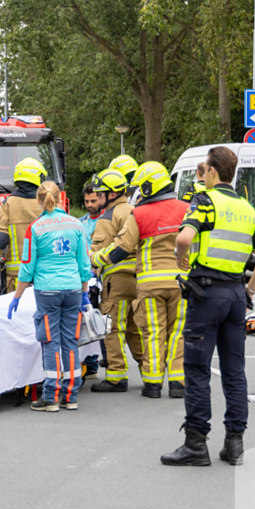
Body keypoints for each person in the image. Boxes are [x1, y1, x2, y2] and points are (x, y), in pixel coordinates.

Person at [161, 146, 255, 467]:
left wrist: (180, 257)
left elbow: (183, 238)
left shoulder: (205, 201)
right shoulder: (247, 209)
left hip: (206, 294)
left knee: (197, 369)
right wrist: (248, 292)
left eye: (205, 170)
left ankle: (196, 444)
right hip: (236, 295)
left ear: (211, 172)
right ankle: (234, 444)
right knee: (234, 371)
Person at [104, 162, 191, 398]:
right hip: (180, 283)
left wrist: (97, 256)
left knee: (153, 332)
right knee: (178, 333)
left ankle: (152, 385)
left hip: (150, 285)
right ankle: (178, 384)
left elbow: (121, 249)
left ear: (149, 187)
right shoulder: (186, 208)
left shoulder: (139, 213)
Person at [8, 181, 92, 412]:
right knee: (70, 342)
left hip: (47, 291)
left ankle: (51, 398)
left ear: (39, 200)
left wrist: (16, 296)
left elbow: (27, 267)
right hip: (73, 289)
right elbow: (84, 264)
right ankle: (71, 396)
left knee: (50, 342)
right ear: (60, 198)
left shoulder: (35, 228)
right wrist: (85, 294)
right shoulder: (76, 225)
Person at [88, 162, 143, 392]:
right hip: (138, 279)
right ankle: (150, 371)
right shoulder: (134, 211)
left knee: (111, 327)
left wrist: (89, 258)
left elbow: (97, 254)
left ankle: (116, 377)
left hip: (116, 282)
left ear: (111, 193)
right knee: (133, 328)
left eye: (100, 193)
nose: (98, 198)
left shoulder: (107, 217)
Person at [0, 158, 45, 293]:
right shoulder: (46, 203)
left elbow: (1, 238)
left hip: (17, 275)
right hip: (44, 272)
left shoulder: (8, 203)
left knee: (17, 312)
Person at [77, 182, 103, 377]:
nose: (89, 204)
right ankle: (89, 361)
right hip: (83, 275)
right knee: (85, 319)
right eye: (86, 201)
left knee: (96, 319)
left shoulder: (105, 221)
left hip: (99, 274)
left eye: (93, 200)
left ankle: (96, 360)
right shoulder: (81, 222)